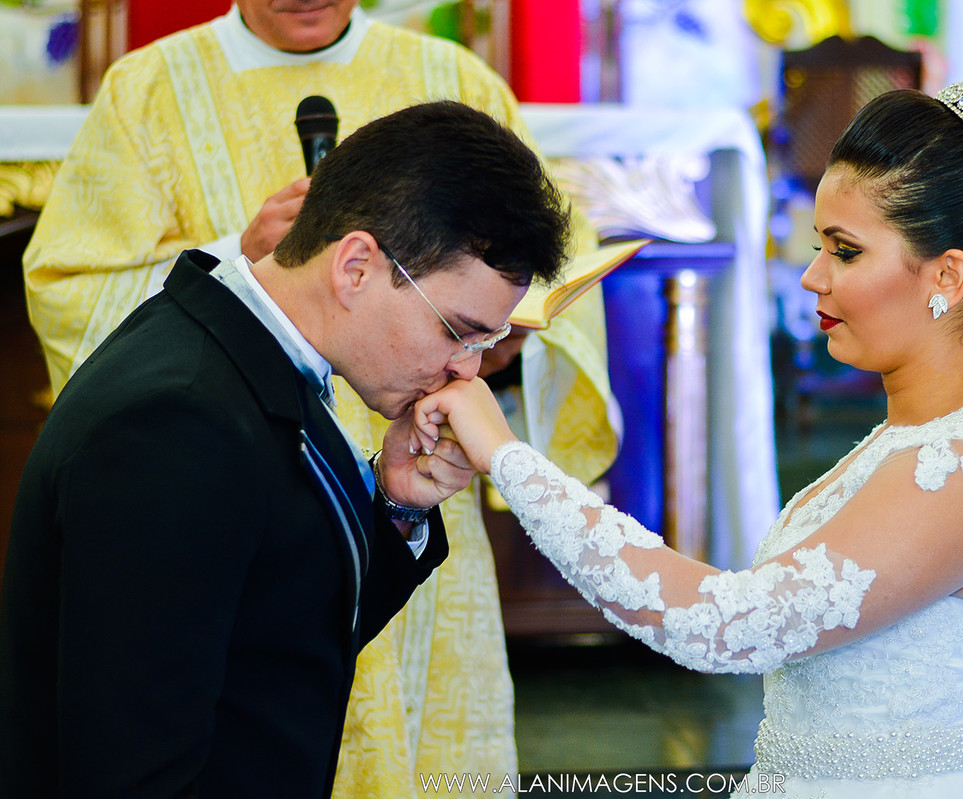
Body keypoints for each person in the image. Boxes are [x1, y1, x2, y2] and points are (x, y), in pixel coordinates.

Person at [410, 75, 963, 797]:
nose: (813, 277)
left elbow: (724, 624)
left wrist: (505, 454)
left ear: (948, 278)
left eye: (845, 250)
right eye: (820, 244)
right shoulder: (906, 443)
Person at [20, 2, 618, 794]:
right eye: (455, 332)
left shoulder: (293, 366)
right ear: (353, 266)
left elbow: (282, 635)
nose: (465, 374)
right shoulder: (173, 422)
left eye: (479, 341)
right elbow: (139, 763)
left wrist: (396, 507)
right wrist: (235, 244)